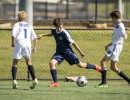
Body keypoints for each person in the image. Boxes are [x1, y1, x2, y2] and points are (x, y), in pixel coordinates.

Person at [38, 18, 101, 87]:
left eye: (60, 27)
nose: (59, 28)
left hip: (68, 52)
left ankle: (95, 67)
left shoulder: (65, 33)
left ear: (62, 24)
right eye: (57, 27)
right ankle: (56, 82)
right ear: (55, 26)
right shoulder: (54, 30)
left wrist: (80, 52)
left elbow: (73, 43)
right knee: (51, 63)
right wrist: (43, 35)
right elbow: (52, 33)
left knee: (81, 65)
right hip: (59, 52)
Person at [97, 10, 130, 88]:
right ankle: (128, 80)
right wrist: (108, 45)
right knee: (113, 67)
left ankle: (104, 83)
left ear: (115, 18)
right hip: (115, 46)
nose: (111, 20)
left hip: (116, 47)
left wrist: (125, 33)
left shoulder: (120, 26)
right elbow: (116, 39)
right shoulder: (118, 25)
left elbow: (124, 37)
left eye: (112, 18)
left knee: (103, 62)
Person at [11, 11, 38, 89]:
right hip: (28, 43)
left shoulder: (16, 25)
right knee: (29, 62)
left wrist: (12, 43)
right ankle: (35, 79)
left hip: (19, 42)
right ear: (25, 18)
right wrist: (34, 47)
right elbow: (35, 38)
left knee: (15, 63)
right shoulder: (29, 25)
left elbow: (13, 34)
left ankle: (14, 80)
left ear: (18, 17)